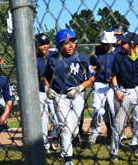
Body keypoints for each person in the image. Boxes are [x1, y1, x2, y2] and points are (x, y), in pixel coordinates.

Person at [44, 29, 95, 165]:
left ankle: (65, 136)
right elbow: (45, 76)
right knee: (66, 127)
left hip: (77, 95)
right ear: (60, 45)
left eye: (73, 41)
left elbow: (92, 77)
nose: (71, 45)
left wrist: (80, 88)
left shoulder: (82, 57)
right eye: (67, 43)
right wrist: (47, 88)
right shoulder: (52, 59)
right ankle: (68, 159)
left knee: (74, 129)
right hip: (60, 96)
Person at [109, 32, 138, 163]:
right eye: (119, 42)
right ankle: (113, 153)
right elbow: (113, 75)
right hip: (122, 91)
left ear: (132, 44)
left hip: (136, 90)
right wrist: (116, 91)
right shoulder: (118, 57)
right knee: (118, 124)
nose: (119, 44)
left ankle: (134, 143)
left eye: (123, 43)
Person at [88, 30, 116, 146]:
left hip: (113, 85)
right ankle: (95, 132)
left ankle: (115, 132)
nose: (109, 46)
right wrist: (92, 70)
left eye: (111, 44)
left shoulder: (117, 52)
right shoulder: (96, 52)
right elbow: (89, 66)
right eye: (106, 44)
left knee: (114, 111)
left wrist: (115, 79)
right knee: (98, 109)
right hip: (99, 83)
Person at [35, 33, 59, 154]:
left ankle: (55, 135)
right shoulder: (34, 59)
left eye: (46, 44)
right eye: (42, 44)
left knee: (58, 118)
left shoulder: (55, 55)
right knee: (43, 120)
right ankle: (44, 145)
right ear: (37, 46)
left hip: (55, 92)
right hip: (41, 92)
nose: (45, 46)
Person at [0, 52, 12, 132]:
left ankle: (2, 124)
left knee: (4, 106)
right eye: (2, 60)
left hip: (0, 91)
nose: (3, 61)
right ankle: (2, 125)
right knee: (2, 106)